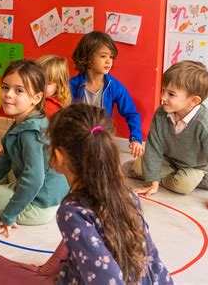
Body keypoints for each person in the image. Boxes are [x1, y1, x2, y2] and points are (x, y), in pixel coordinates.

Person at [51, 103, 172, 284]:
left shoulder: (72, 211)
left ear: (58, 155)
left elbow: (107, 278)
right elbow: (151, 257)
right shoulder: (127, 192)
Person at [0, 60, 69, 238]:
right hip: (49, 196)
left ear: (37, 98)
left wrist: (8, 216)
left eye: (19, 90)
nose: (8, 95)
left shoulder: (30, 133)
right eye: (5, 87)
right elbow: (5, 159)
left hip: (36, 207)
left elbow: (34, 180)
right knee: (2, 172)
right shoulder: (27, 119)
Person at [131, 61, 208, 198]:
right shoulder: (161, 113)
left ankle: (202, 178)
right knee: (139, 166)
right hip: (169, 161)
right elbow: (154, 147)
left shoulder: (204, 122)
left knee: (182, 185)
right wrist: (153, 183)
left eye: (171, 94)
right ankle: (156, 174)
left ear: (193, 101)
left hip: (194, 167)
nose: (162, 98)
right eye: (163, 91)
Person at [70, 31, 144, 158]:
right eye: (103, 56)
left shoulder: (114, 86)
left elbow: (132, 113)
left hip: (103, 138)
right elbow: (65, 113)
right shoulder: (73, 84)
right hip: (79, 137)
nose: (108, 61)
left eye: (111, 57)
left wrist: (136, 139)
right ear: (87, 58)